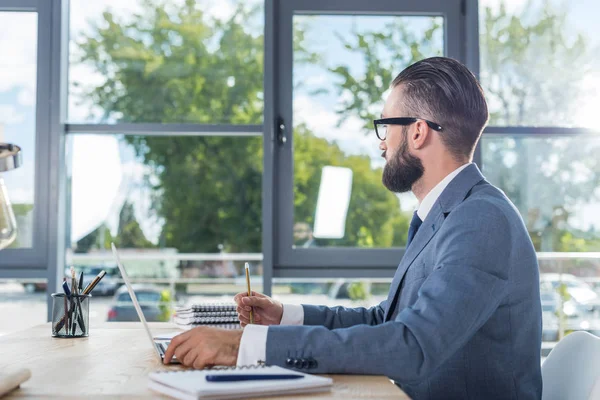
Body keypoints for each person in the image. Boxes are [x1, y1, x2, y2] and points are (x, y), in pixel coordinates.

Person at [164, 57, 542, 400]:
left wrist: (242, 347)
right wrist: (284, 316)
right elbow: (387, 321)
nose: (381, 144)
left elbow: (412, 346)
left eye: (385, 127)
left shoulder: (481, 219)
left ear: (417, 132)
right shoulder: (447, 214)